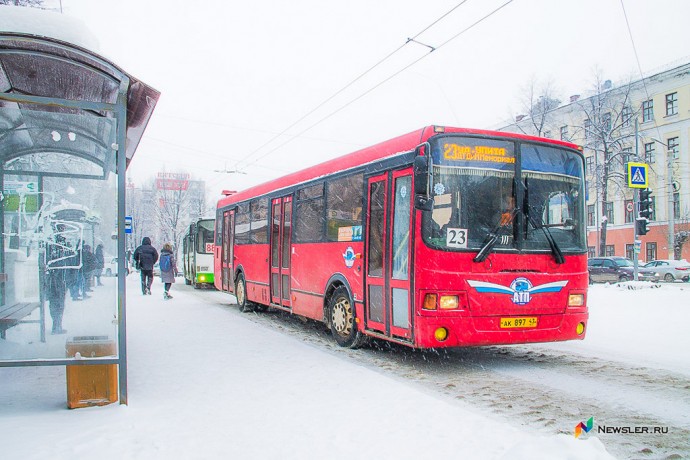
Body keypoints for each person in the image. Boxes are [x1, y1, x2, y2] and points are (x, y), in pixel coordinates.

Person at [46, 225, 69, 334]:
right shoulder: (55, 244)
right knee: (57, 303)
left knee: (58, 303)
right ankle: (56, 326)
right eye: (62, 229)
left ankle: (57, 325)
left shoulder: (60, 244)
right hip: (56, 278)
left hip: (58, 278)